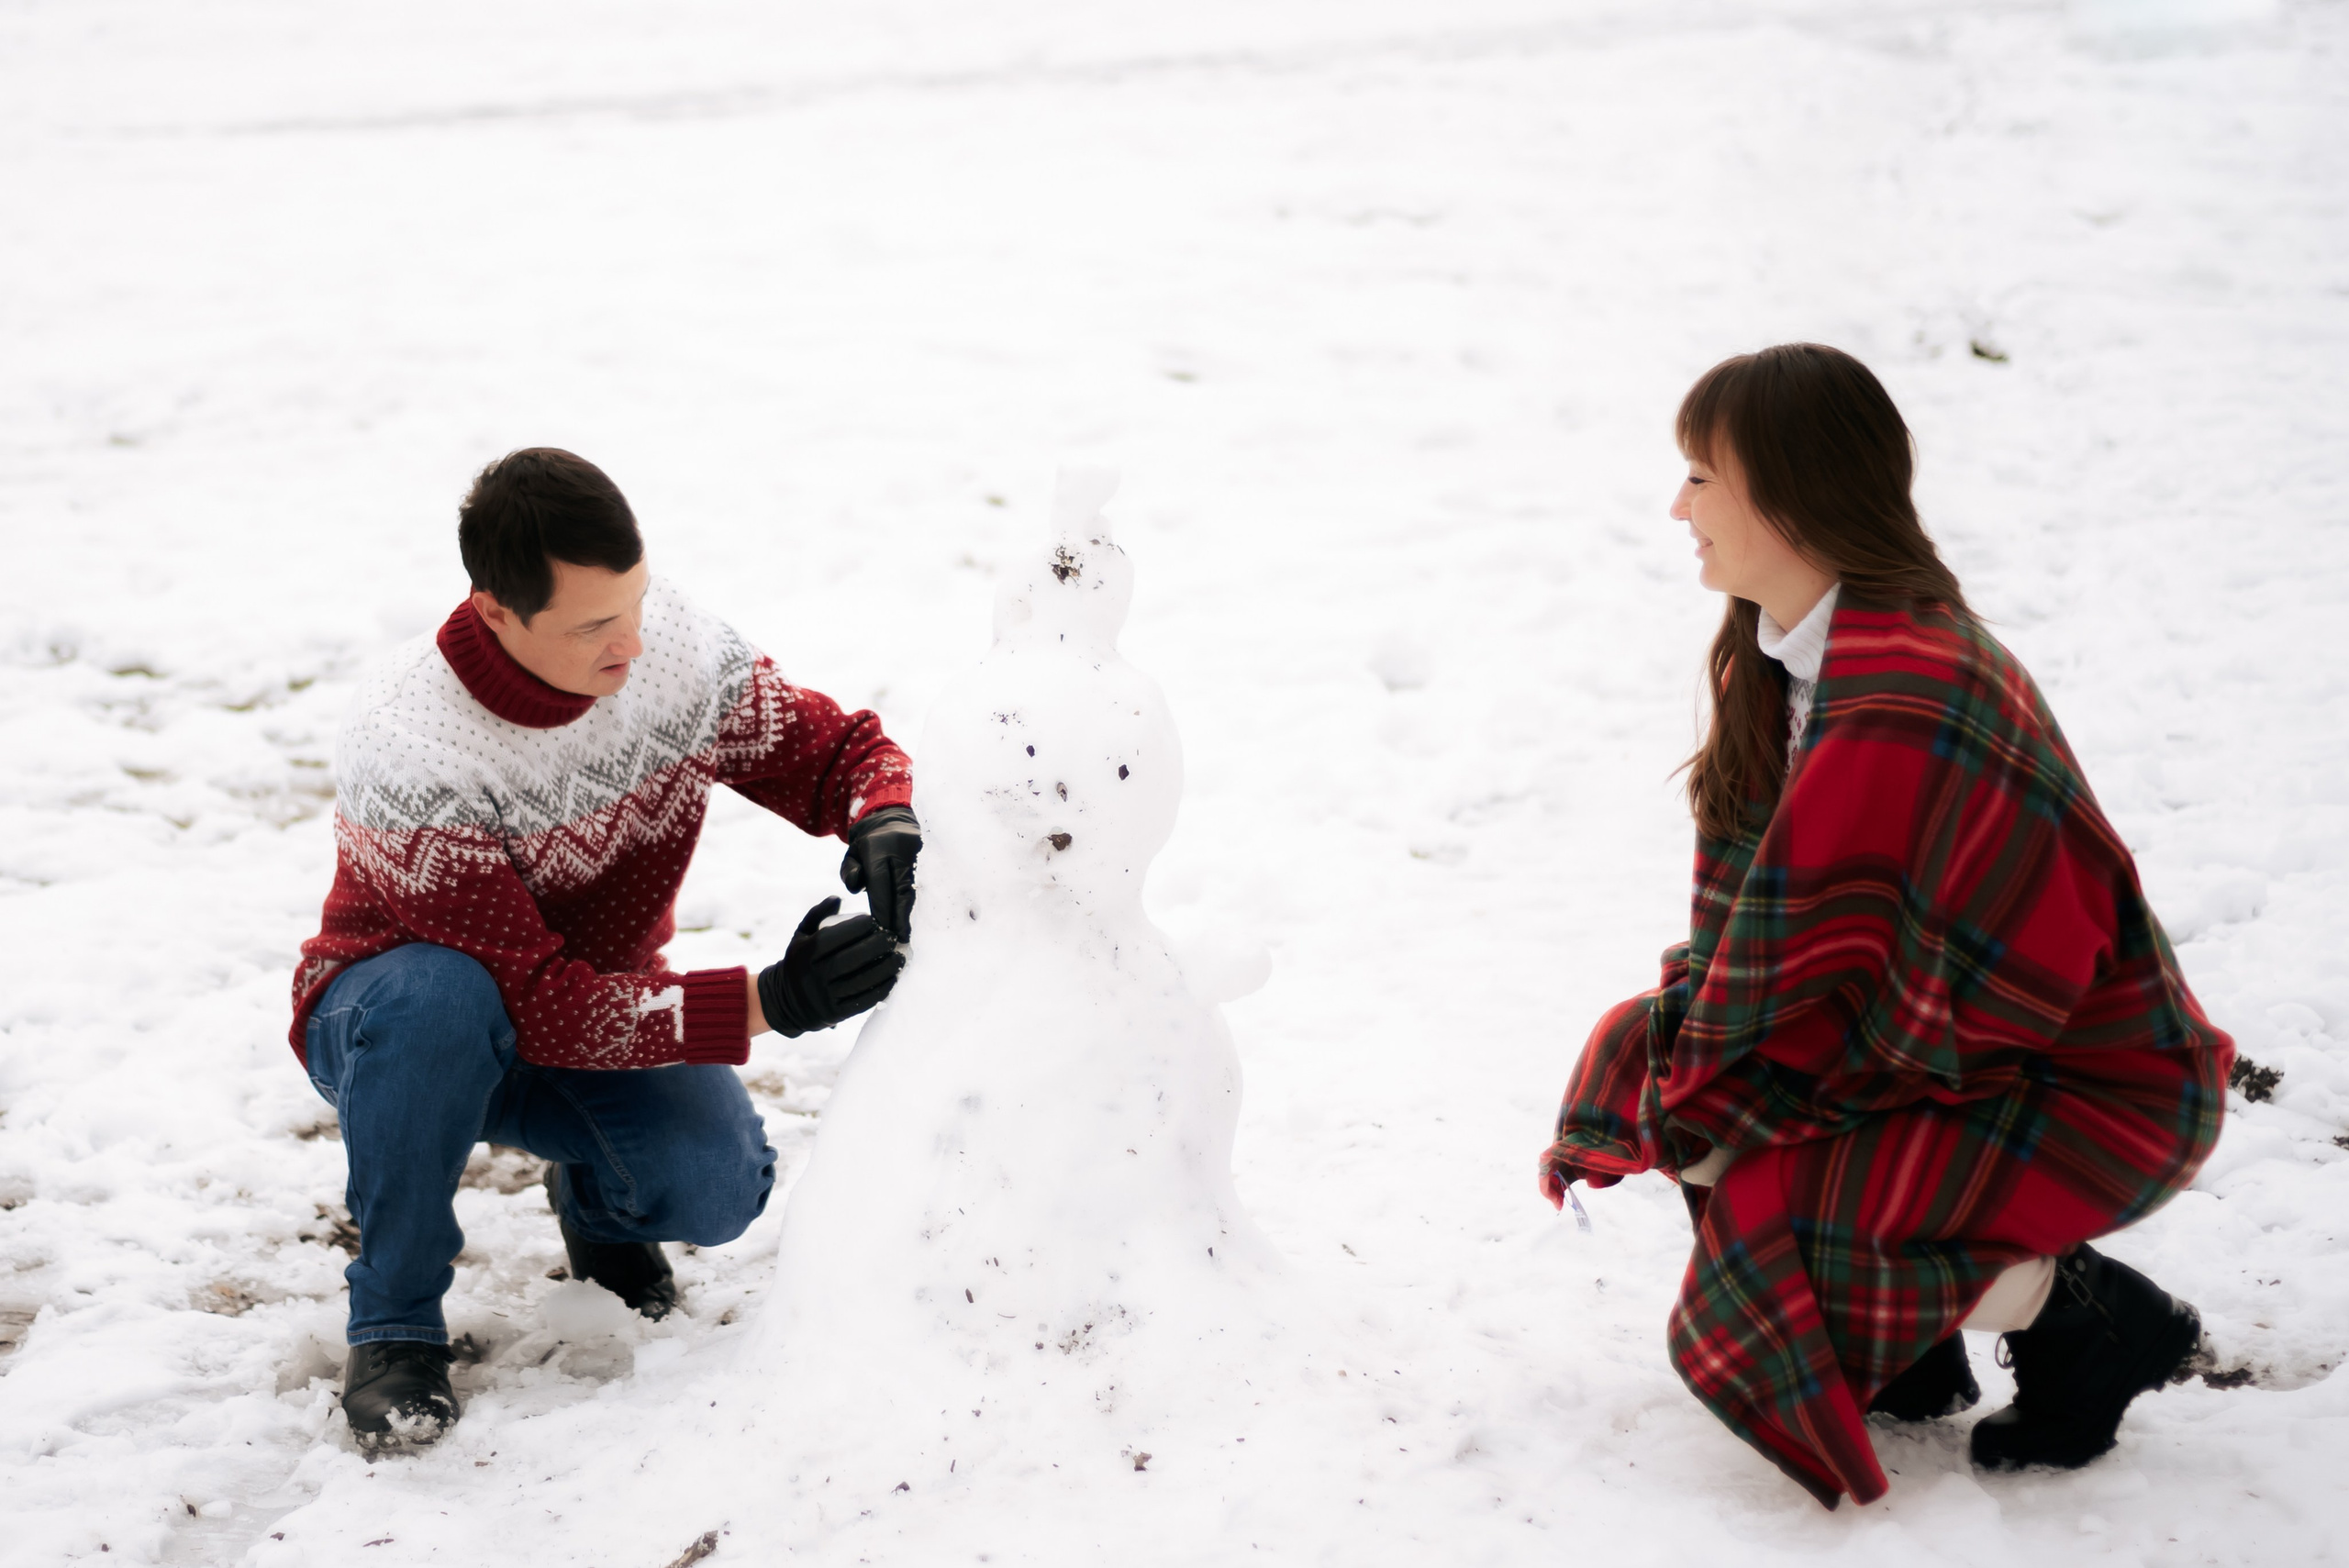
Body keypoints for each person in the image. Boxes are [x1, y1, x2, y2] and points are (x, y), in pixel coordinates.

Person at [1538, 345, 2232, 1509]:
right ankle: (1908, 1342)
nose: (1678, 507)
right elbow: (1787, 950)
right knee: (1654, 1065)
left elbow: (1988, 987)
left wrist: (1762, 1078)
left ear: (1792, 491)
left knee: (1777, 1204)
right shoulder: (1787, 662)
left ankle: (2095, 1321)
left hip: (2088, 1086)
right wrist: (1698, 1042)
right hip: (1948, 1060)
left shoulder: (1910, 691)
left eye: (1702, 476)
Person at [291, 448, 926, 1451]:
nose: (630, 639)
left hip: (591, 1004)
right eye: (592, 624)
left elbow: (836, 750)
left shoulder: (664, 646)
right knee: (441, 1000)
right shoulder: (413, 749)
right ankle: (395, 1321)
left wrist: (882, 816)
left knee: (715, 1182)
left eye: (631, 601)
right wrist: (769, 1001)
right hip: (399, 1021)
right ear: (498, 611)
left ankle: (598, 1203)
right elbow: (537, 1004)